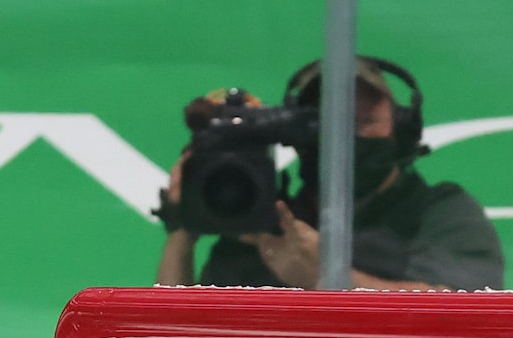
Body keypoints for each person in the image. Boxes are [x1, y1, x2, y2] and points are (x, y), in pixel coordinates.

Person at [157, 55, 503, 293]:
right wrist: (182, 232)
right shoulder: (262, 228)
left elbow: (462, 322)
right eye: (327, 122)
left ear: (402, 130)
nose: (345, 137)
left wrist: (328, 280)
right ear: (298, 135)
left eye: (364, 121)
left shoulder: (442, 214)